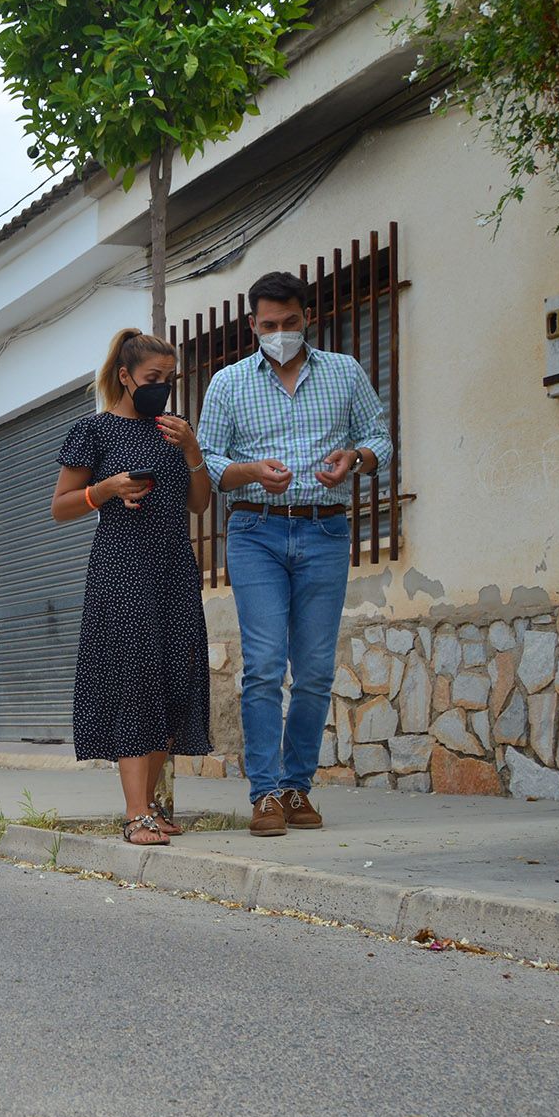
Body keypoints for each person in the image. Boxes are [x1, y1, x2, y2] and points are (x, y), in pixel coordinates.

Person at [197, 271, 392, 837]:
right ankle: (263, 795)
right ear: (252, 324)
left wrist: (354, 458)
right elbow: (207, 464)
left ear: (307, 318)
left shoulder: (345, 373)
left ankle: (296, 788)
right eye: (268, 325)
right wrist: (251, 471)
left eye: (289, 323)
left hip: (324, 531)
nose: (279, 333)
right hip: (255, 530)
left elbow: (379, 439)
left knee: (311, 671)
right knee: (261, 666)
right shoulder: (228, 384)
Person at [51, 328, 214, 845]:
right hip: (122, 568)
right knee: (134, 680)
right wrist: (107, 488)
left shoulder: (175, 430)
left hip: (174, 567)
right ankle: (135, 811)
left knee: (172, 677)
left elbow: (200, 504)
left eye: (169, 379)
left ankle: (154, 807)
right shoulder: (92, 431)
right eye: (152, 379)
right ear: (124, 376)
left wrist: (192, 450)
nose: (162, 388)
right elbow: (60, 507)